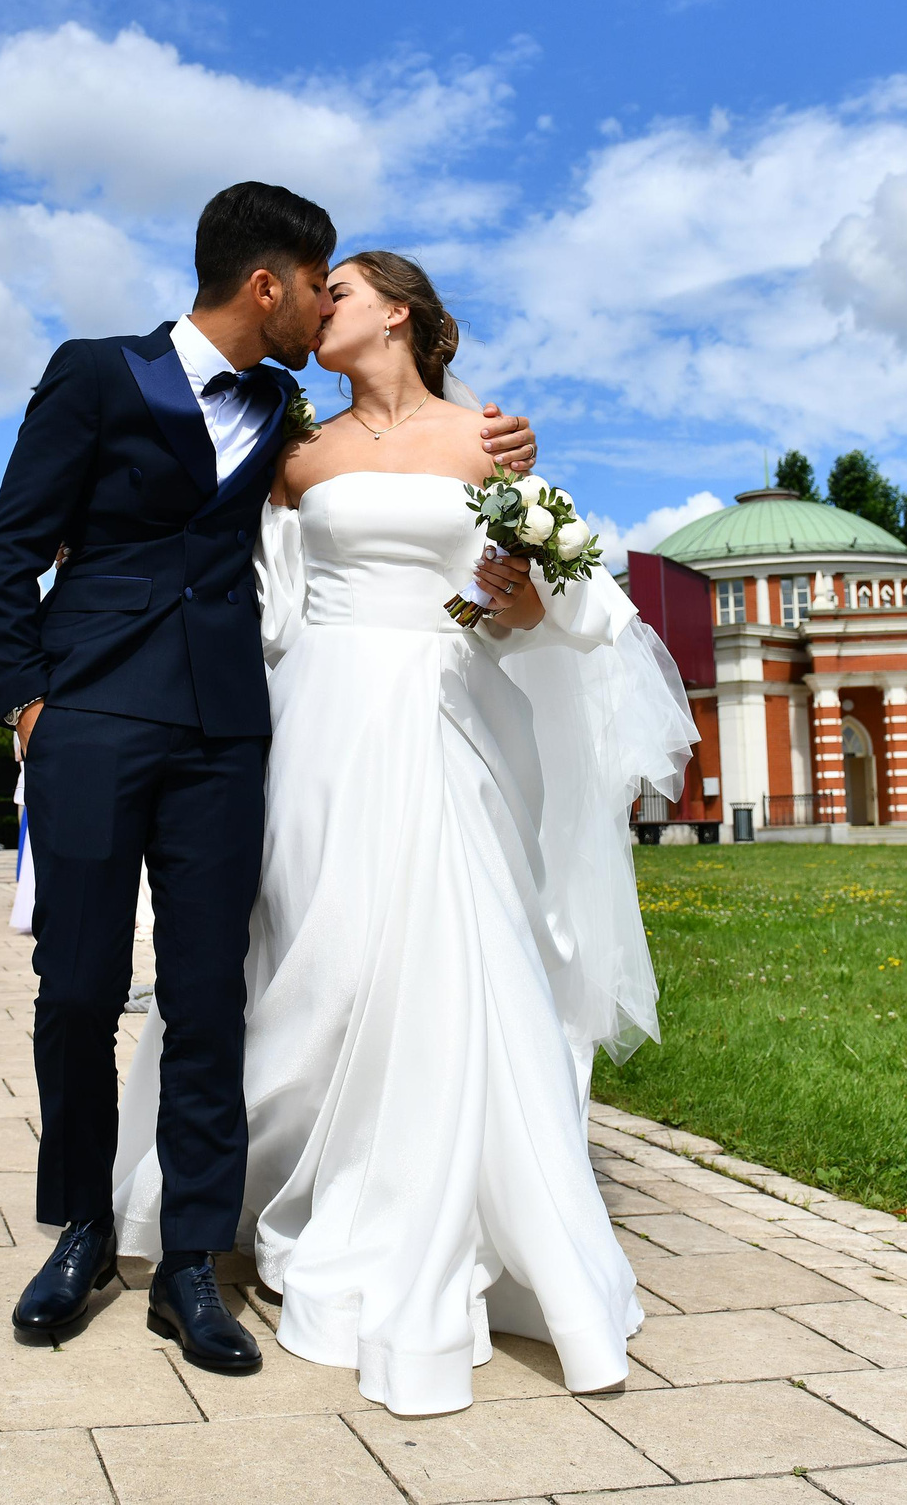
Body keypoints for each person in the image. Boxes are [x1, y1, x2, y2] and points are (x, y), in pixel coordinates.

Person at [108, 251, 695, 1414]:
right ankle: (248, 1180)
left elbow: (541, 602)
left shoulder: (492, 445)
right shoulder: (294, 450)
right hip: (315, 719)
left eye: (342, 291)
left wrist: (501, 603)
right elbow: (229, 563)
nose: (319, 304)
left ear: (402, 315)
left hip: (443, 714)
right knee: (302, 957)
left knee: (439, 954)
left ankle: (417, 1200)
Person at [0, 182, 538, 1375]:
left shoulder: (290, 413)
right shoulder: (96, 373)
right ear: (267, 285)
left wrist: (503, 467)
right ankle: (80, 1227)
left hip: (230, 734)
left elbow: (407, 516)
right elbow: (11, 547)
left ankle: (189, 1260)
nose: (325, 305)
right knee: (75, 988)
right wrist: (28, 704)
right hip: (90, 714)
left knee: (207, 996)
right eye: (315, 282)